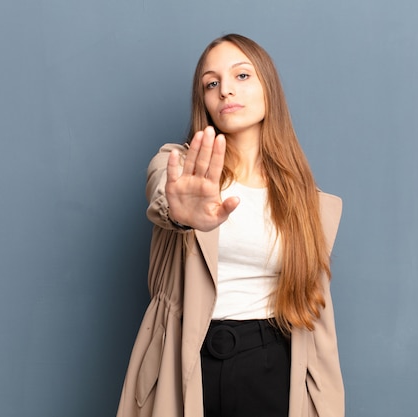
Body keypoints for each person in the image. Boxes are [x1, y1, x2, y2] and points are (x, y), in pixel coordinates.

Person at [116, 33, 344, 417]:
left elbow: (316, 318)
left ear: (268, 88)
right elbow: (162, 190)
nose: (225, 91)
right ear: (203, 100)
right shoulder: (179, 167)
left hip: (272, 361)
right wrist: (179, 213)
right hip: (185, 357)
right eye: (212, 83)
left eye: (241, 76)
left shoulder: (306, 201)